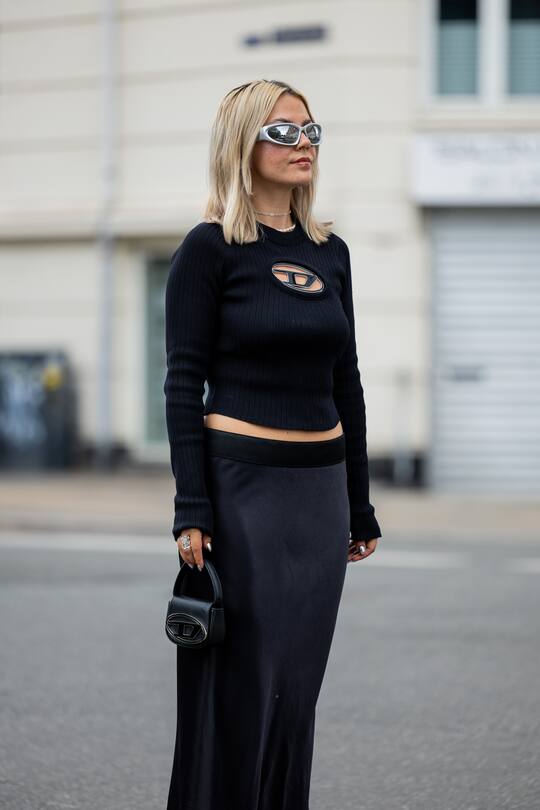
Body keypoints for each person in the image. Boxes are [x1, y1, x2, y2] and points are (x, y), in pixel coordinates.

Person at [163, 78, 382, 810]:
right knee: (245, 683)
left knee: (296, 686)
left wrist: (360, 502)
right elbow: (181, 382)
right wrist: (192, 505)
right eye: (283, 133)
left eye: (311, 131)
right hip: (242, 490)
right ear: (243, 143)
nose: (303, 146)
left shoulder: (332, 253)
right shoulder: (209, 250)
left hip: (318, 497)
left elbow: (344, 381)